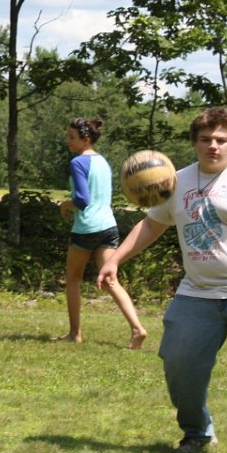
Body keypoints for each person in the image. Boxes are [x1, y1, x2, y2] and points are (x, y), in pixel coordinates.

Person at [98, 107, 227, 453]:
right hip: (197, 295)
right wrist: (115, 260)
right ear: (195, 143)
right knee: (180, 366)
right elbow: (152, 223)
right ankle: (197, 433)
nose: (213, 146)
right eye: (206, 139)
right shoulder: (174, 181)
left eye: (221, 140)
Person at [56, 117, 147, 349]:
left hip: (86, 228)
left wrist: (65, 205)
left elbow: (82, 199)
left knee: (73, 279)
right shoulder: (103, 162)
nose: (68, 141)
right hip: (108, 227)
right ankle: (137, 329)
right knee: (110, 280)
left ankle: (75, 334)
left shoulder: (78, 162)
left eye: (72, 137)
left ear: (86, 139)